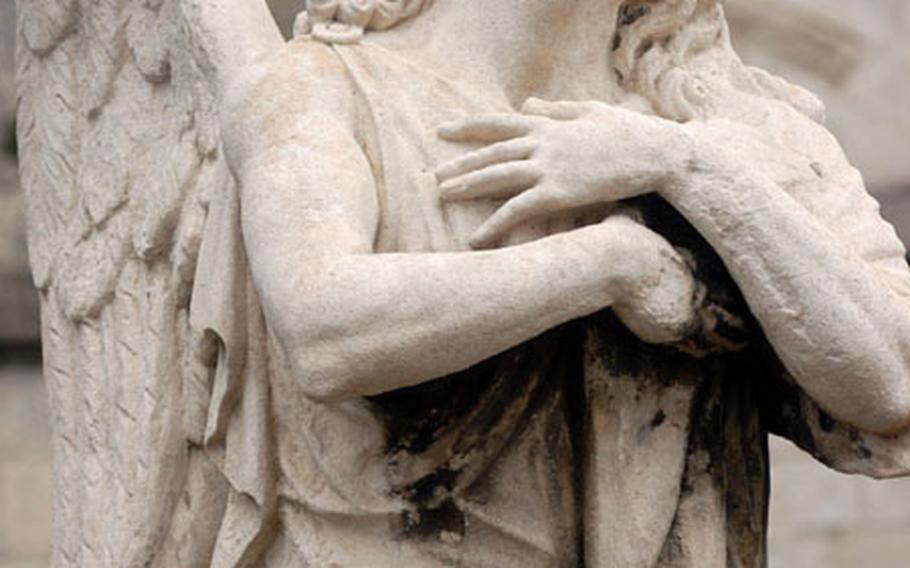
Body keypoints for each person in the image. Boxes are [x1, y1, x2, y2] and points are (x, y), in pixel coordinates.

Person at [203, 0, 910, 565]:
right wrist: (611, 263)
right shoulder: (318, 87)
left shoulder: (737, 129)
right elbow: (324, 331)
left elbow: (890, 389)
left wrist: (688, 168)